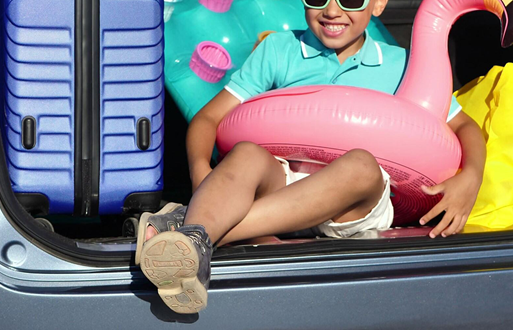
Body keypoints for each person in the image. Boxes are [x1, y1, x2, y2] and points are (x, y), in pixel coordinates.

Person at [136, 0, 486, 314]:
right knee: (245, 153)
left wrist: (471, 177)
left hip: (355, 204)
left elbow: (464, 126)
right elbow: (208, 119)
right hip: (284, 182)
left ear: (378, 5)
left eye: (350, 0)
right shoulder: (279, 49)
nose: (332, 11)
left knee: (361, 164)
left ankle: (192, 230)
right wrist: (201, 174)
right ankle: (194, 241)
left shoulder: (399, 64)